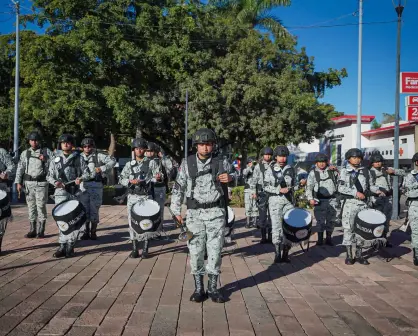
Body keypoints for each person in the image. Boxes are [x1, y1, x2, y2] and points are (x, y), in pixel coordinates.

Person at [170, 128, 235, 303]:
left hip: (216, 213)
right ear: (196, 146)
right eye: (202, 144)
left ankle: (213, 288)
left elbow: (236, 176)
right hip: (194, 215)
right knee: (196, 251)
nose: (205, 148)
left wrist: (230, 178)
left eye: (208, 144)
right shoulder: (187, 163)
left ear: (213, 145)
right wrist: (176, 211)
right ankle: (199, 288)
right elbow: (179, 187)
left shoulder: (222, 162)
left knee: (215, 251)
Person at [254, 145, 305, 263]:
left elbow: (295, 185)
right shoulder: (270, 170)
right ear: (275, 157)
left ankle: (286, 253)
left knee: (289, 227)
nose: (282, 159)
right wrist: (278, 190)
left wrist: (301, 184)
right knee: (276, 227)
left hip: (288, 202)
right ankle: (277, 253)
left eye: (284, 156)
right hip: (275, 202)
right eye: (280, 156)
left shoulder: (291, 169)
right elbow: (265, 186)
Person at [47, 134, 91, 258]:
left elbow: (88, 173)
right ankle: (62, 245)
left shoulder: (79, 158)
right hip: (60, 192)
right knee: (62, 220)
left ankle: (71, 246)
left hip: (74, 193)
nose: (65, 144)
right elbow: (49, 176)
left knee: (73, 219)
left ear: (72, 144)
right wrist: (55, 182)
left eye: (68, 142)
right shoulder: (55, 159)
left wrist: (81, 178)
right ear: (60, 145)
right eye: (63, 143)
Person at [119, 138, 161, 258]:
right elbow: (121, 178)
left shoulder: (151, 162)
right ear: (134, 150)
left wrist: (155, 178)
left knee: (147, 221)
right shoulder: (129, 164)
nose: (139, 151)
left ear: (145, 150)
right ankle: (134, 248)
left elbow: (158, 176)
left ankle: (146, 248)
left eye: (141, 148)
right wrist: (129, 181)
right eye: (137, 149)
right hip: (132, 196)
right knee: (132, 222)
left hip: (146, 196)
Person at [15, 131, 53, 239]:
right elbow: (20, 168)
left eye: (36, 140)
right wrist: (18, 182)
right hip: (28, 183)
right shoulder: (25, 153)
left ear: (39, 141)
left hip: (41, 183)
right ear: (29, 141)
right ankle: (32, 229)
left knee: (40, 206)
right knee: (31, 207)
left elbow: (55, 163)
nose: (34, 142)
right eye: (32, 140)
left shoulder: (46, 151)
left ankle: (41, 229)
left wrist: (46, 159)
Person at [79, 137, 116, 240]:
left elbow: (112, 161)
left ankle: (93, 231)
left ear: (92, 146)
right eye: (85, 146)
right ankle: (85, 231)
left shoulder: (99, 155)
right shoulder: (79, 157)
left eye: (89, 146)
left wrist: (102, 168)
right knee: (84, 208)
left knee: (94, 208)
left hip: (96, 185)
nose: (87, 148)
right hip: (84, 185)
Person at [338, 148, 370, 265]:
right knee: (349, 229)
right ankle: (349, 255)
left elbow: (370, 186)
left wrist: (379, 191)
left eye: (358, 158)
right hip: (350, 204)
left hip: (363, 205)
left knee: (361, 230)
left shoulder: (365, 171)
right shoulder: (344, 171)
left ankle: (359, 254)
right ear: (348, 159)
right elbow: (340, 188)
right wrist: (355, 193)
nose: (356, 160)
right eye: (354, 157)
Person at [369, 153, 405, 247]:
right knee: (377, 221)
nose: (378, 163)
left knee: (386, 220)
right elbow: (369, 185)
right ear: (372, 163)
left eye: (379, 162)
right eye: (375, 162)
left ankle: (384, 239)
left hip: (388, 198)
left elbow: (403, 172)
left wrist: (392, 171)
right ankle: (376, 240)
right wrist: (378, 191)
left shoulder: (386, 169)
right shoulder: (370, 172)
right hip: (377, 199)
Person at [305, 153, 339, 246]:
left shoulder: (332, 171)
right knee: (320, 221)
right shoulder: (313, 173)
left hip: (332, 200)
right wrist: (310, 198)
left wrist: (337, 169)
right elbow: (309, 187)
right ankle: (320, 240)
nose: (321, 164)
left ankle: (328, 238)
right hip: (319, 200)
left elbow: (341, 181)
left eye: (323, 162)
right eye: (319, 162)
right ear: (316, 163)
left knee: (331, 220)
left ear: (326, 162)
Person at [251, 147, 274, 243]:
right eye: (266, 154)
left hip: (273, 192)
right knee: (263, 215)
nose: (268, 156)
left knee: (272, 215)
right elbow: (254, 180)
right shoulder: (258, 166)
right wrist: (253, 192)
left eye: (269, 154)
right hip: (262, 192)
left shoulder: (275, 165)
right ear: (263, 155)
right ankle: (264, 237)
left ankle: (271, 236)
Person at [402, 152, 418, 266]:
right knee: (416, 231)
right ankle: (416, 254)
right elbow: (408, 192)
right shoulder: (410, 176)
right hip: (415, 205)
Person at [0, 146, 15, 254]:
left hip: (0, 188)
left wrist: (6, 173)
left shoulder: (1, 152)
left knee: (1, 218)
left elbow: (12, 166)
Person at [243, 157, 258, 228]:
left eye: (253, 162)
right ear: (248, 163)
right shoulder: (245, 169)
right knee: (248, 206)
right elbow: (245, 173)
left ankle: (255, 222)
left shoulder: (256, 169)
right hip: (247, 190)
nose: (252, 164)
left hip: (254, 190)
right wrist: (249, 167)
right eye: (250, 162)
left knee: (255, 206)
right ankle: (248, 222)